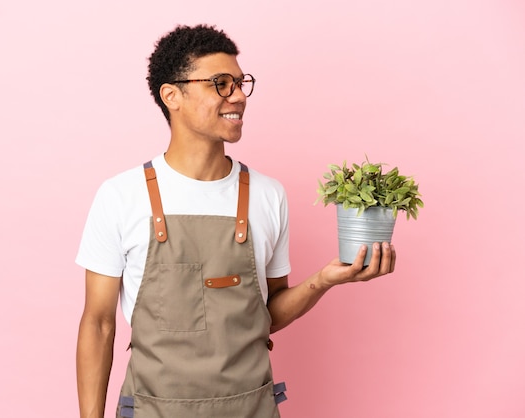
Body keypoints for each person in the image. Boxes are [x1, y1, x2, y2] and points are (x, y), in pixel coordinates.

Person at [75, 24, 396, 418]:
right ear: (172, 95)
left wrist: (322, 282)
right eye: (221, 84)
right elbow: (99, 325)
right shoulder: (121, 196)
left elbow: (268, 313)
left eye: (241, 83)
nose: (239, 96)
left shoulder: (267, 194)